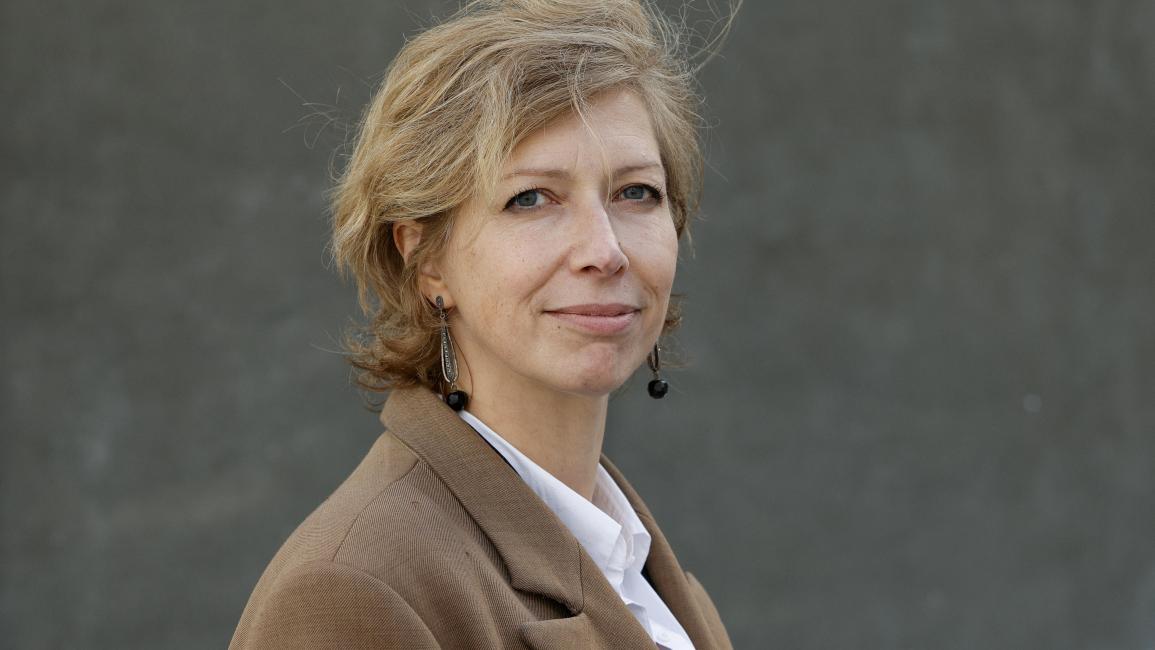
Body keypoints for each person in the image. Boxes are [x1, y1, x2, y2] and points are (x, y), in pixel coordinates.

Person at [229, 1, 734, 647]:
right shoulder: (353, 589)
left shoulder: (652, 583)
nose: (604, 250)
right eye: (531, 199)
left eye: (636, 192)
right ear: (426, 258)